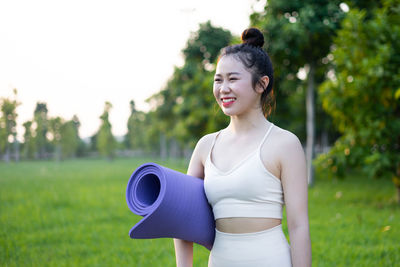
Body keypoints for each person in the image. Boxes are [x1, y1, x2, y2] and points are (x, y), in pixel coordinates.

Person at [173, 27, 311, 267]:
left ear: (261, 84)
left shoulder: (285, 144)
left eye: (233, 79)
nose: (223, 88)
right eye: (218, 80)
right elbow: (182, 216)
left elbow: (299, 226)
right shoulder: (206, 146)